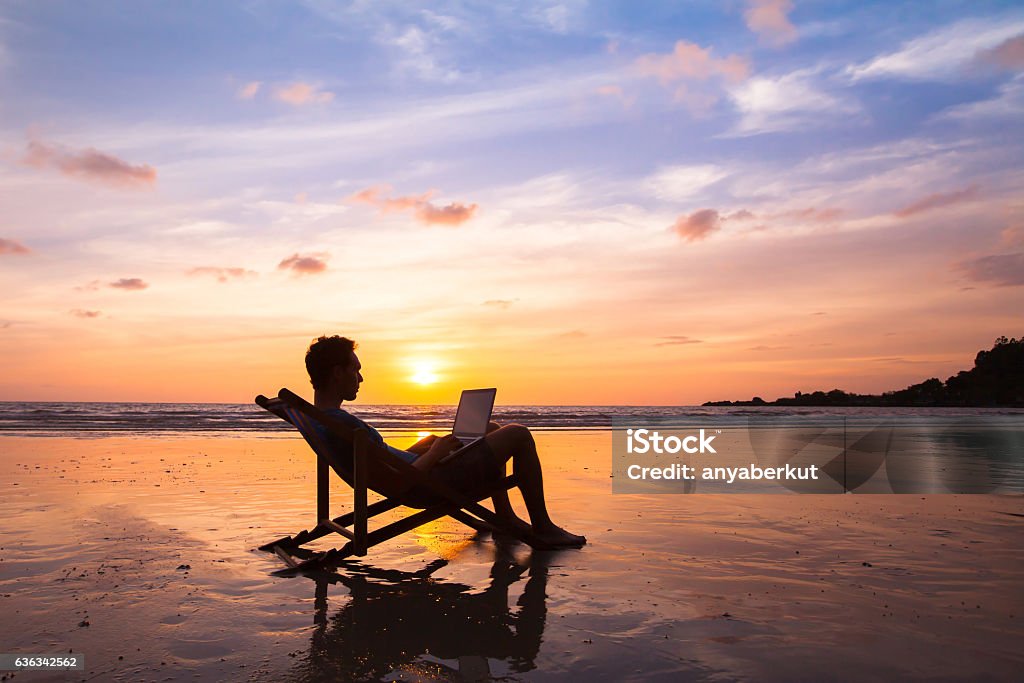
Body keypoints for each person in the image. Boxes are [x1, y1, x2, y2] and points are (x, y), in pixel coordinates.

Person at [305, 335, 586, 548]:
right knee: (518, 434)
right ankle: (543, 528)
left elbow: (385, 464)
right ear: (337, 372)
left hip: (420, 469)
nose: (361, 378)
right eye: (355, 369)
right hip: (426, 484)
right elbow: (398, 484)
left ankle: (505, 517)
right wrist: (436, 452)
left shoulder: (321, 420)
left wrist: (427, 445)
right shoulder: (342, 424)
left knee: (490, 428)